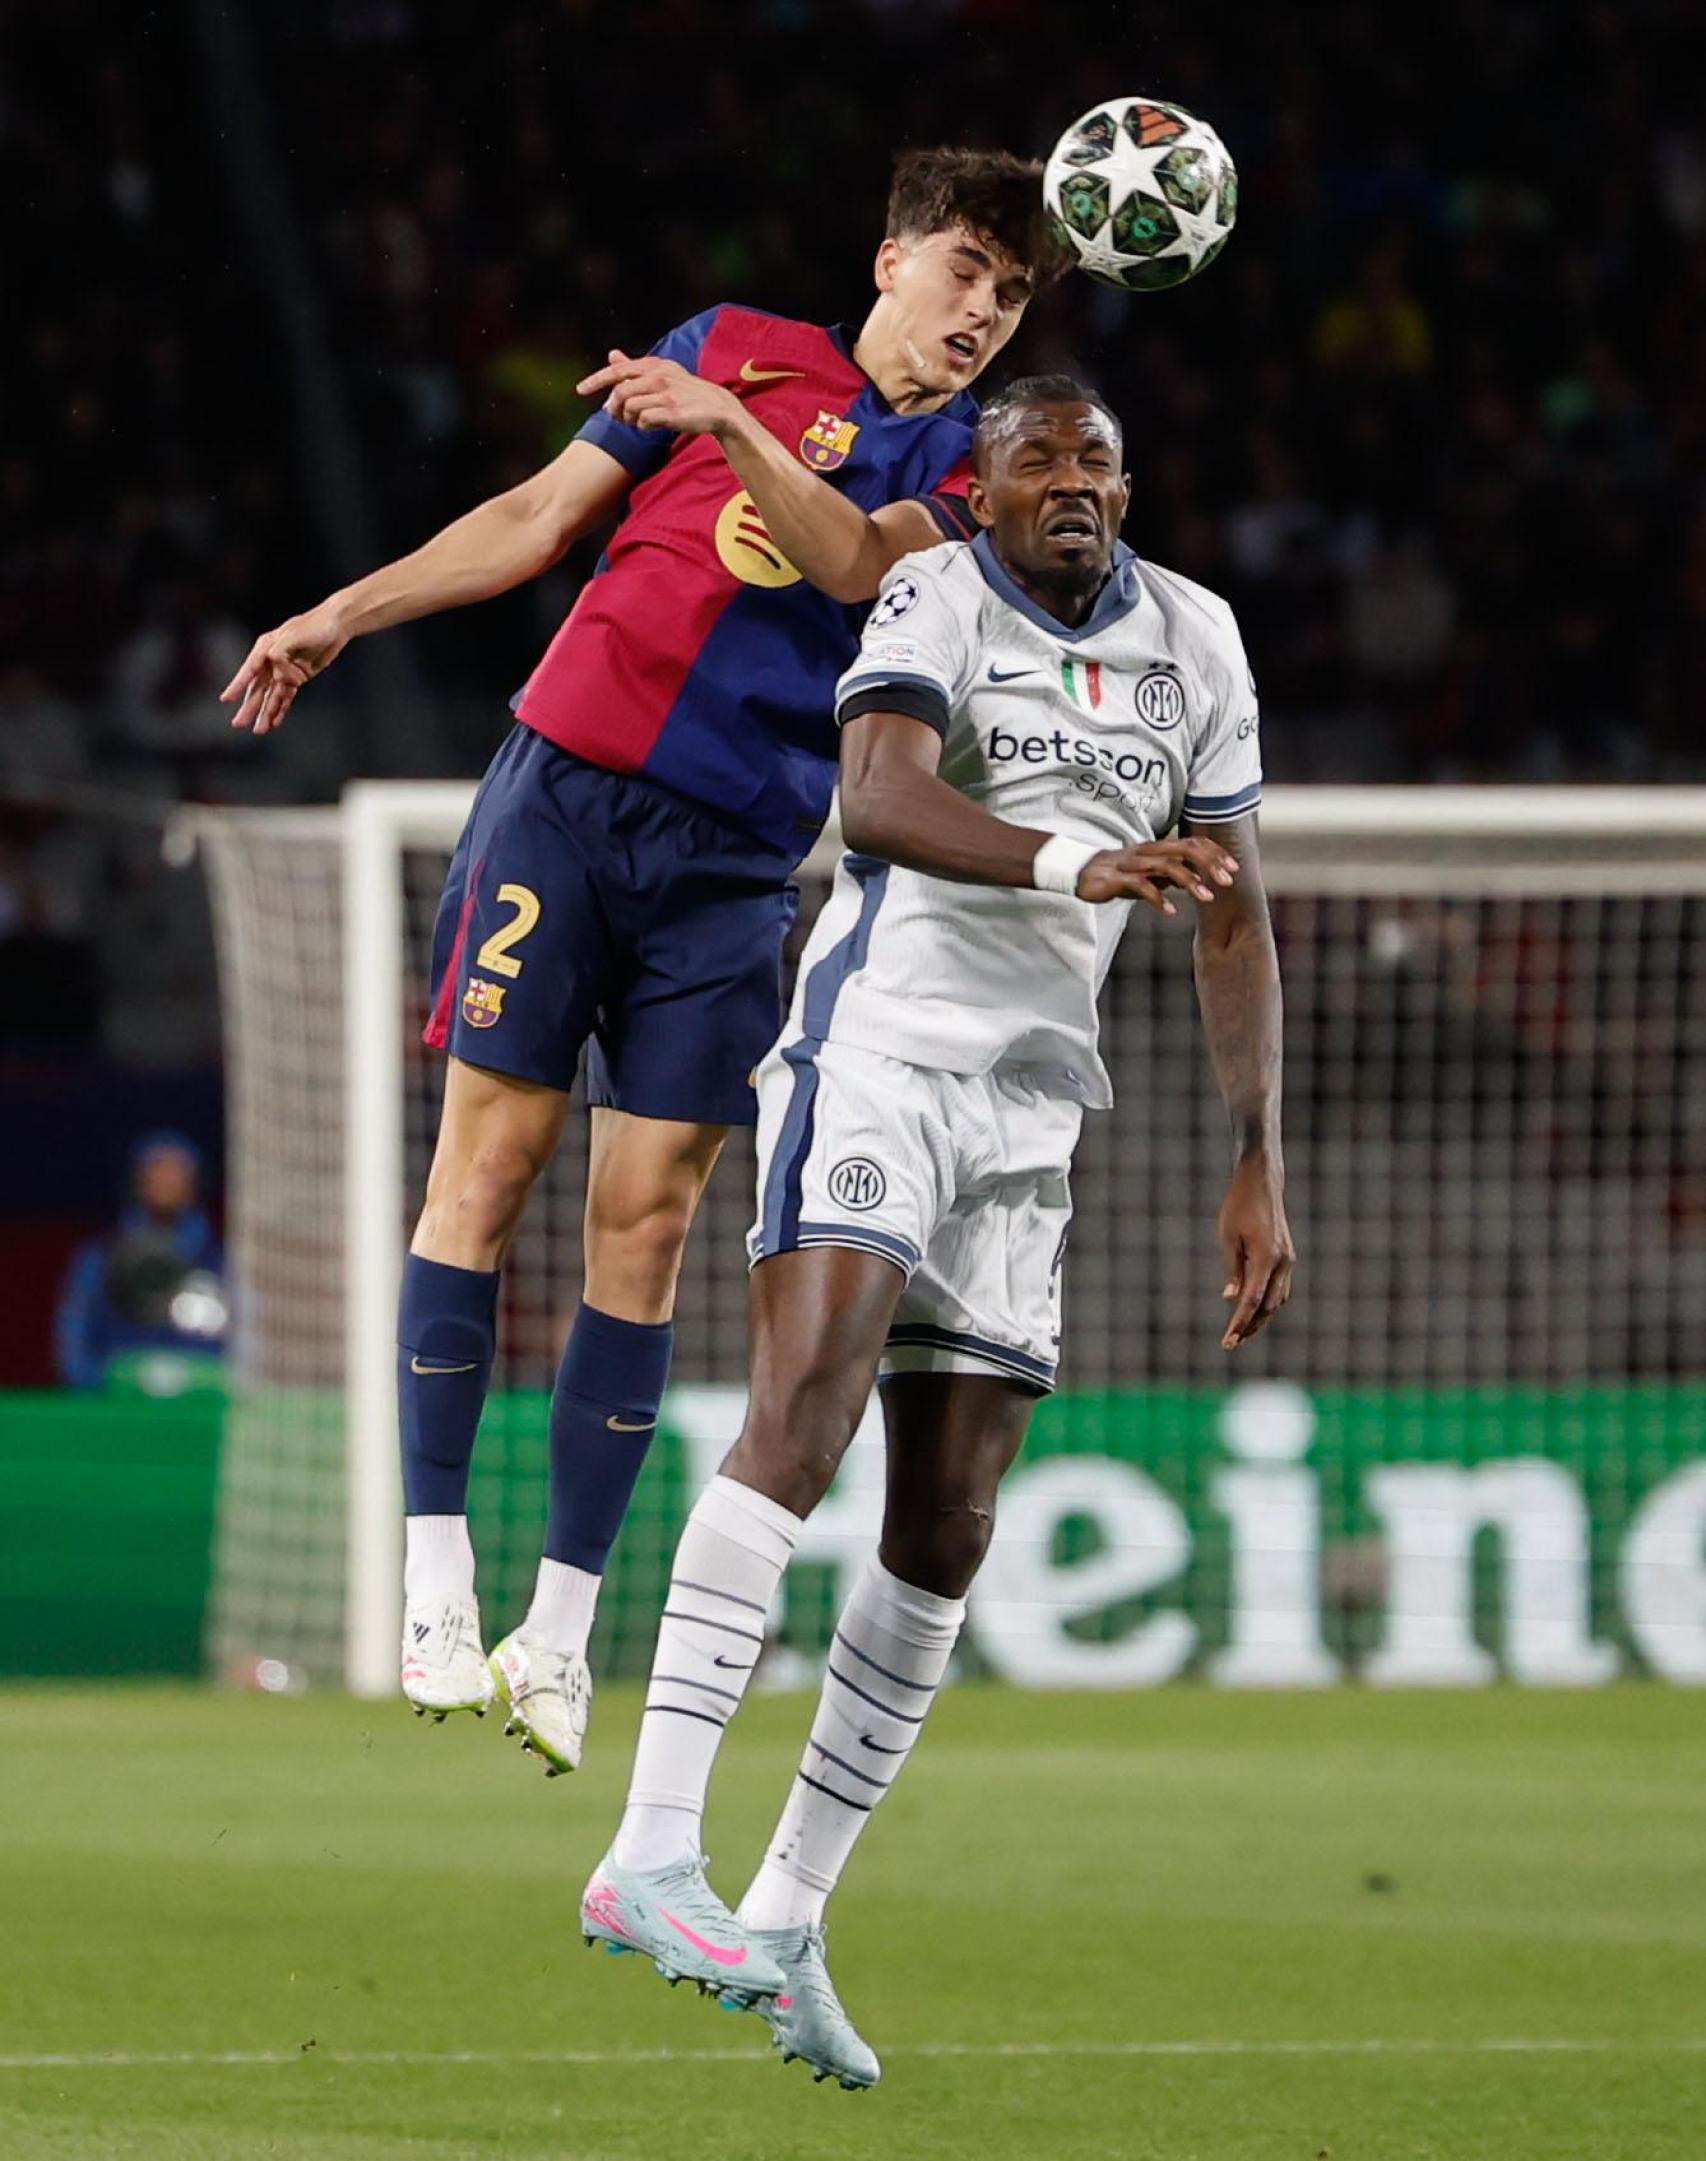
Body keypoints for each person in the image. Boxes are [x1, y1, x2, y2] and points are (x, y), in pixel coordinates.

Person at [220, 152, 1070, 1773]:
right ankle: (433, 1585)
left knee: (651, 1220)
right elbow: (538, 518)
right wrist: (342, 611)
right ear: (890, 257)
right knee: (488, 1163)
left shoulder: (974, 462)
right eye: (964, 270)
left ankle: (557, 1632)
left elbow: (855, 565)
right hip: (562, 793)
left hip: (738, 865)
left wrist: (732, 427)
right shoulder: (736, 336)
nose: (981, 314)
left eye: (1011, 295)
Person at [579, 377, 1296, 2086]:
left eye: (1098, 460)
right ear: (979, 493)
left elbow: (1236, 911)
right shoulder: (932, 592)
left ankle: (784, 1917)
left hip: (1035, 1110)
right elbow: (882, 801)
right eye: (1036, 458)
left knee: (954, 1519)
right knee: (806, 1407)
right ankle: (650, 1847)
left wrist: (1259, 1154)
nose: (1070, 482)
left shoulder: (1196, 638)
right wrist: (1072, 866)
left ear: (1129, 487)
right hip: (881, 1052)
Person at [55, 1133, 226, 1390]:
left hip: (200, 1404)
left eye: (177, 1172)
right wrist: (92, 1391)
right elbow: (74, 1336)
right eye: (158, 1171)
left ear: (195, 1183)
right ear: (138, 1181)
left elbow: (245, 1340)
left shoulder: (221, 1263)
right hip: (116, 1406)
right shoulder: (100, 1256)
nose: (167, 1181)